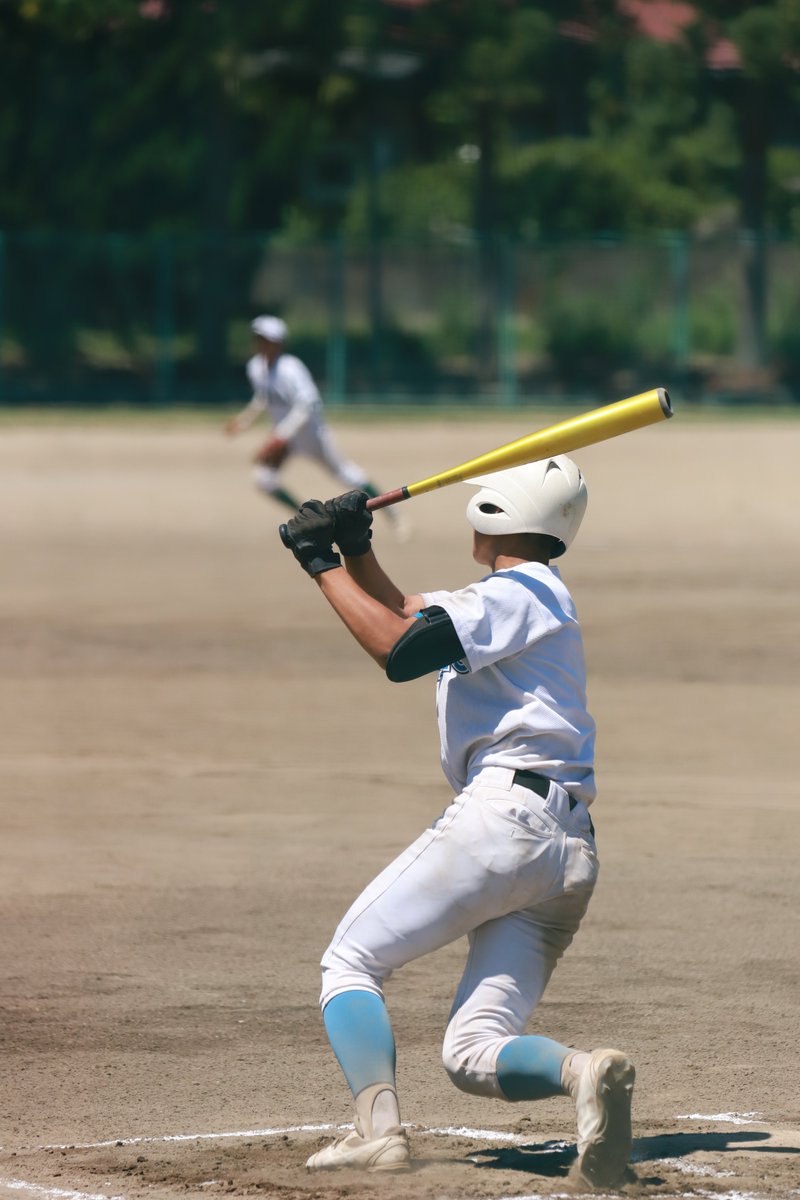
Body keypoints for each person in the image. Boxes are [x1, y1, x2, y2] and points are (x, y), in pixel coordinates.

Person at [278, 458, 636, 1187]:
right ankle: (583, 1072)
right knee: (473, 1051)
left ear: (495, 516)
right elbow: (412, 617)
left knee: (351, 962)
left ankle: (375, 1132)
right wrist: (355, 551)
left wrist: (318, 563)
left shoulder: (517, 593)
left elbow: (398, 650)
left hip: (507, 823)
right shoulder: (527, 595)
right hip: (564, 852)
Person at [224, 315, 406, 535]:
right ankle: (309, 520)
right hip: (286, 440)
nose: (261, 343)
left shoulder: (291, 368)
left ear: (279, 342)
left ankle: (393, 515)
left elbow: (309, 404)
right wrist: (244, 422)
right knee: (264, 480)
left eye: (266, 339)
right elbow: (263, 398)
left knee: (348, 475)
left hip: (312, 435)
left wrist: (280, 435)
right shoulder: (255, 367)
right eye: (258, 338)